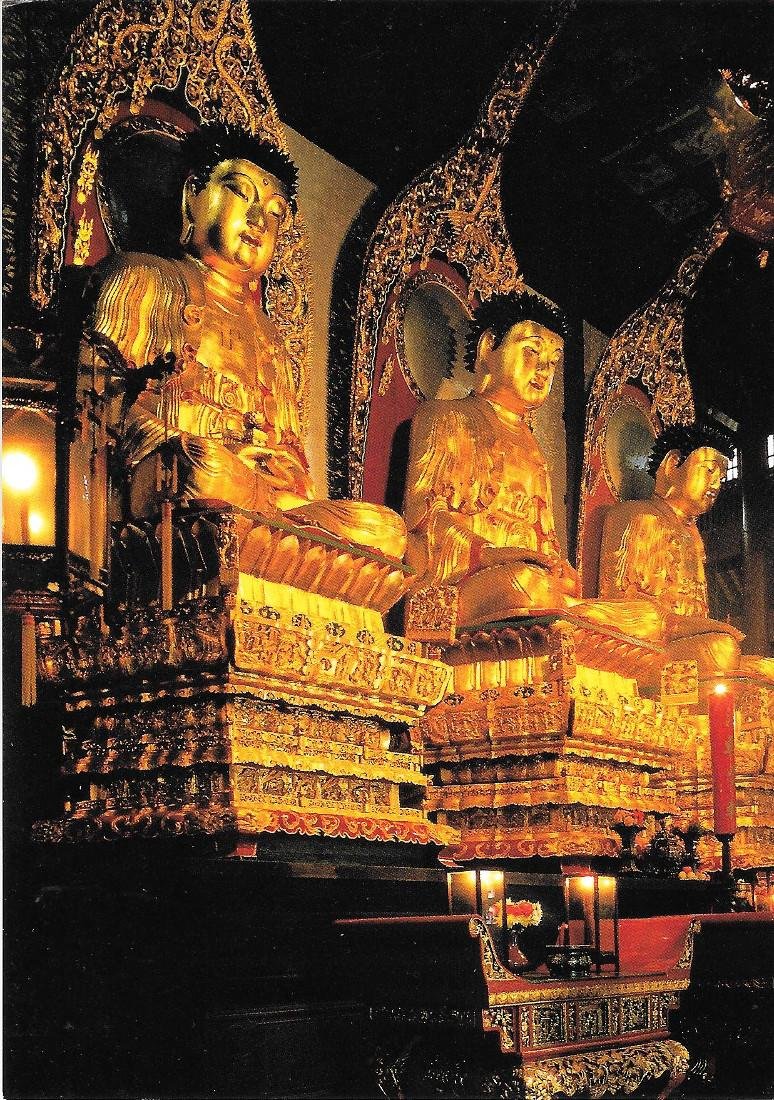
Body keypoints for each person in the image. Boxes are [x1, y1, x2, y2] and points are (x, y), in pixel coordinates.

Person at [85, 123, 406, 565]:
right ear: (194, 195)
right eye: (241, 193)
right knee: (207, 471)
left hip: (264, 506)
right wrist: (201, 443)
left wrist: (282, 467)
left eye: (275, 212)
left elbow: (295, 461)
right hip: (184, 481)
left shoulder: (273, 340)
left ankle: (267, 542)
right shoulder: (145, 279)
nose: (259, 220)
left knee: (385, 532)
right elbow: (99, 405)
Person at [598, 423, 773, 681]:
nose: (716, 484)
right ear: (672, 464)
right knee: (719, 650)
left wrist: (699, 626)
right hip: (643, 646)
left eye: (721, 478)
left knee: (766, 668)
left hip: (684, 647)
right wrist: (681, 624)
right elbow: (626, 611)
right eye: (709, 470)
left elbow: (695, 617)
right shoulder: (639, 516)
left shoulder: (694, 539)